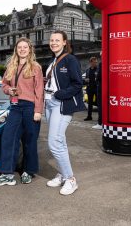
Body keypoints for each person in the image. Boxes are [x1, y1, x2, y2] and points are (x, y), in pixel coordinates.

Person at [0, 37, 44, 186]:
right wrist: (9, 90)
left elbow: (39, 90)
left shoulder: (35, 67)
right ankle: (7, 174)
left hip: (30, 107)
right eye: (19, 47)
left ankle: (28, 171)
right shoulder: (11, 66)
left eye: (25, 47)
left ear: (30, 49)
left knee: (29, 141)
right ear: (16, 49)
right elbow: (4, 84)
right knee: (8, 138)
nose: (22, 49)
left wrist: (38, 110)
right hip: (15, 107)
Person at [44, 30, 86, 195]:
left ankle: (70, 179)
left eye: (57, 40)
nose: (53, 42)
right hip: (49, 103)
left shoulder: (70, 59)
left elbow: (77, 84)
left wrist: (59, 94)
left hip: (61, 104)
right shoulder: (52, 60)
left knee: (54, 142)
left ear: (64, 42)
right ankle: (62, 174)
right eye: (52, 40)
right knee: (60, 141)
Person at [84, 57, 98, 121]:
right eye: (94, 62)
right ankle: (89, 116)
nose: (96, 63)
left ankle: (100, 118)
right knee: (90, 103)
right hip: (89, 88)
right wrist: (86, 80)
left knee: (99, 103)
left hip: (97, 88)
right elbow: (85, 79)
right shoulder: (87, 70)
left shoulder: (98, 69)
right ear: (91, 62)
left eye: (96, 62)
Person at [92, 51, 103, 130]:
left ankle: (100, 123)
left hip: (101, 87)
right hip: (107, 88)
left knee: (100, 105)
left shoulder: (101, 64)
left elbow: (98, 76)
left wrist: (96, 78)